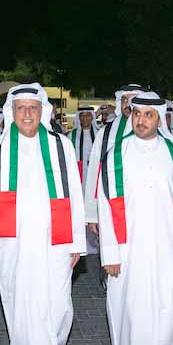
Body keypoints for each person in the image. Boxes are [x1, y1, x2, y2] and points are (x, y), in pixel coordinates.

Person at [0, 83, 85, 345]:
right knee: (20, 305)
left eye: (32, 108)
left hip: (55, 240)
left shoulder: (62, 146)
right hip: (13, 244)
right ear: (11, 112)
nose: (26, 114)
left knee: (59, 307)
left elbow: (75, 194)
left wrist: (76, 240)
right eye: (20, 108)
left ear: (42, 112)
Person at [98, 92, 173, 345]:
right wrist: (110, 253)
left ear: (160, 119)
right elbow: (105, 206)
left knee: (170, 304)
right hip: (128, 247)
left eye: (148, 115)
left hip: (168, 244)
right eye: (137, 114)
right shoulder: (116, 154)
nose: (141, 120)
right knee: (134, 308)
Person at [84, 84, 145, 235]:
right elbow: (94, 172)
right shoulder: (106, 133)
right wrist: (92, 214)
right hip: (111, 205)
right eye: (124, 100)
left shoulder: (153, 133)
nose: (127, 104)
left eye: (132, 100)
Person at [70, 106, 99, 261]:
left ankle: (95, 245)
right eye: (82, 116)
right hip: (78, 176)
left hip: (94, 177)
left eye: (88, 115)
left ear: (92, 117)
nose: (85, 119)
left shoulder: (99, 134)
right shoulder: (71, 135)